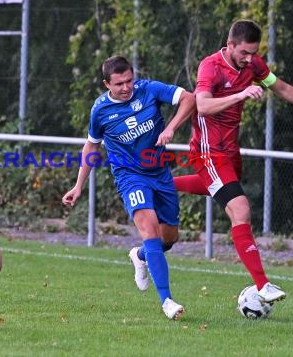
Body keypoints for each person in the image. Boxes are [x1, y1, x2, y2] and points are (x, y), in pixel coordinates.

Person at [173, 19, 293, 304]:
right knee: (240, 208)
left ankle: (160, 184)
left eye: (253, 53)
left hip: (230, 151)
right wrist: (241, 93)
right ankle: (263, 284)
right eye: (244, 53)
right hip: (208, 151)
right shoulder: (211, 66)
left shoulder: (252, 65)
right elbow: (202, 106)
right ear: (230, 45)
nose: (249, 59)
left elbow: (281, 88)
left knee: (219, 190)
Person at [62, 55, 196, 320]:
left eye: (129, 81)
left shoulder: (148, 90)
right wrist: (78, 185)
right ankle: (167, 300)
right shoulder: (100, 110)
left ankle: (140, 256)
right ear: (106, 84)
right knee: (149, 229)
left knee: (168, 238)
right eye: (119, 83)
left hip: (160, 172)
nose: (126, 88)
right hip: (130, 176)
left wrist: (170, 127)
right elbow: (92, 145)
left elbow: (189, 99)